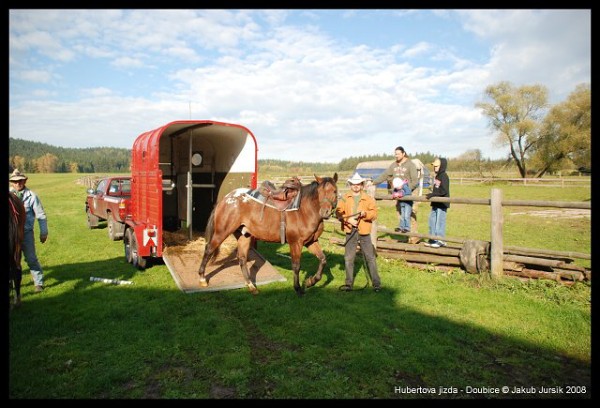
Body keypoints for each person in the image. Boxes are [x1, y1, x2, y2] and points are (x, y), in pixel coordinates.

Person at [335, 173, 381, 292]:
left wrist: (365, 214)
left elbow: (374, 214)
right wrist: (348, 219)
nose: (355, 186)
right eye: (353, 184)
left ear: (362, 185)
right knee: (349, 258)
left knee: (370, 257)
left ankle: (376, 284)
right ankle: (349, 284)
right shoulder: (344, 198)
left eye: (358, 184)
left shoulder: (368, 198)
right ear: (350, 185)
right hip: (350, 231)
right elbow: (338, 213)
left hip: (364, 231)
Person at [9, 169, 48, 292]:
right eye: (15, 181)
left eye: (20, 181)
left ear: (24, 181)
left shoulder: (32, 196)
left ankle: (38, 282)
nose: (18, 183)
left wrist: (43, 232)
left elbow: (41, 215)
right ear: (11, 183)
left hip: (25, 233)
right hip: (10, 235)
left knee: (31, 258)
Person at [370, 146, 418, 233]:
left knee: (411, 215)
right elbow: (385, 175)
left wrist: (407, 190)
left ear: (403, 154)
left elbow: (415, 181)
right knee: (400, 213)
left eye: (398, 154)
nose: (396, 156)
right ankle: (403, 237)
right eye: (395, 154)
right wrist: (374, 182)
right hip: (398, 193)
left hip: (409, 192)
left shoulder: (410, 165)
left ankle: (413, 237)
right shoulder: (393, 165)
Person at [425, 158, 450, 248]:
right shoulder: (437, 176)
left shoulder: (444, 176)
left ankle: (440, 240)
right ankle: (432, 239)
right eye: (434, 166)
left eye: (437, 166)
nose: (435, 168)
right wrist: (433, 195)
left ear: (442, 166)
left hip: (442, 204)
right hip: (435, 203)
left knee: (440, 222)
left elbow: (444, 190)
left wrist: (432, 194)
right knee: (432, 221)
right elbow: (436, 189)